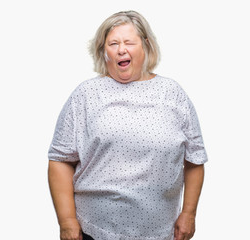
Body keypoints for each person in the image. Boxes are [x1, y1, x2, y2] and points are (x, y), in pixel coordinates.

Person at [48, 10, 208, 240]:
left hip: (160, 233)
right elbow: (60, 159)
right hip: (95, 230)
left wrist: (189, 213)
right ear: (104, 52)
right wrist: (67, 221)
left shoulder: (173, 94)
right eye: (113, 43)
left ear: (146, 45)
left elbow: (195, 159)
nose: (121, 49)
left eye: (128, 42)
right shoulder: (86, 94)